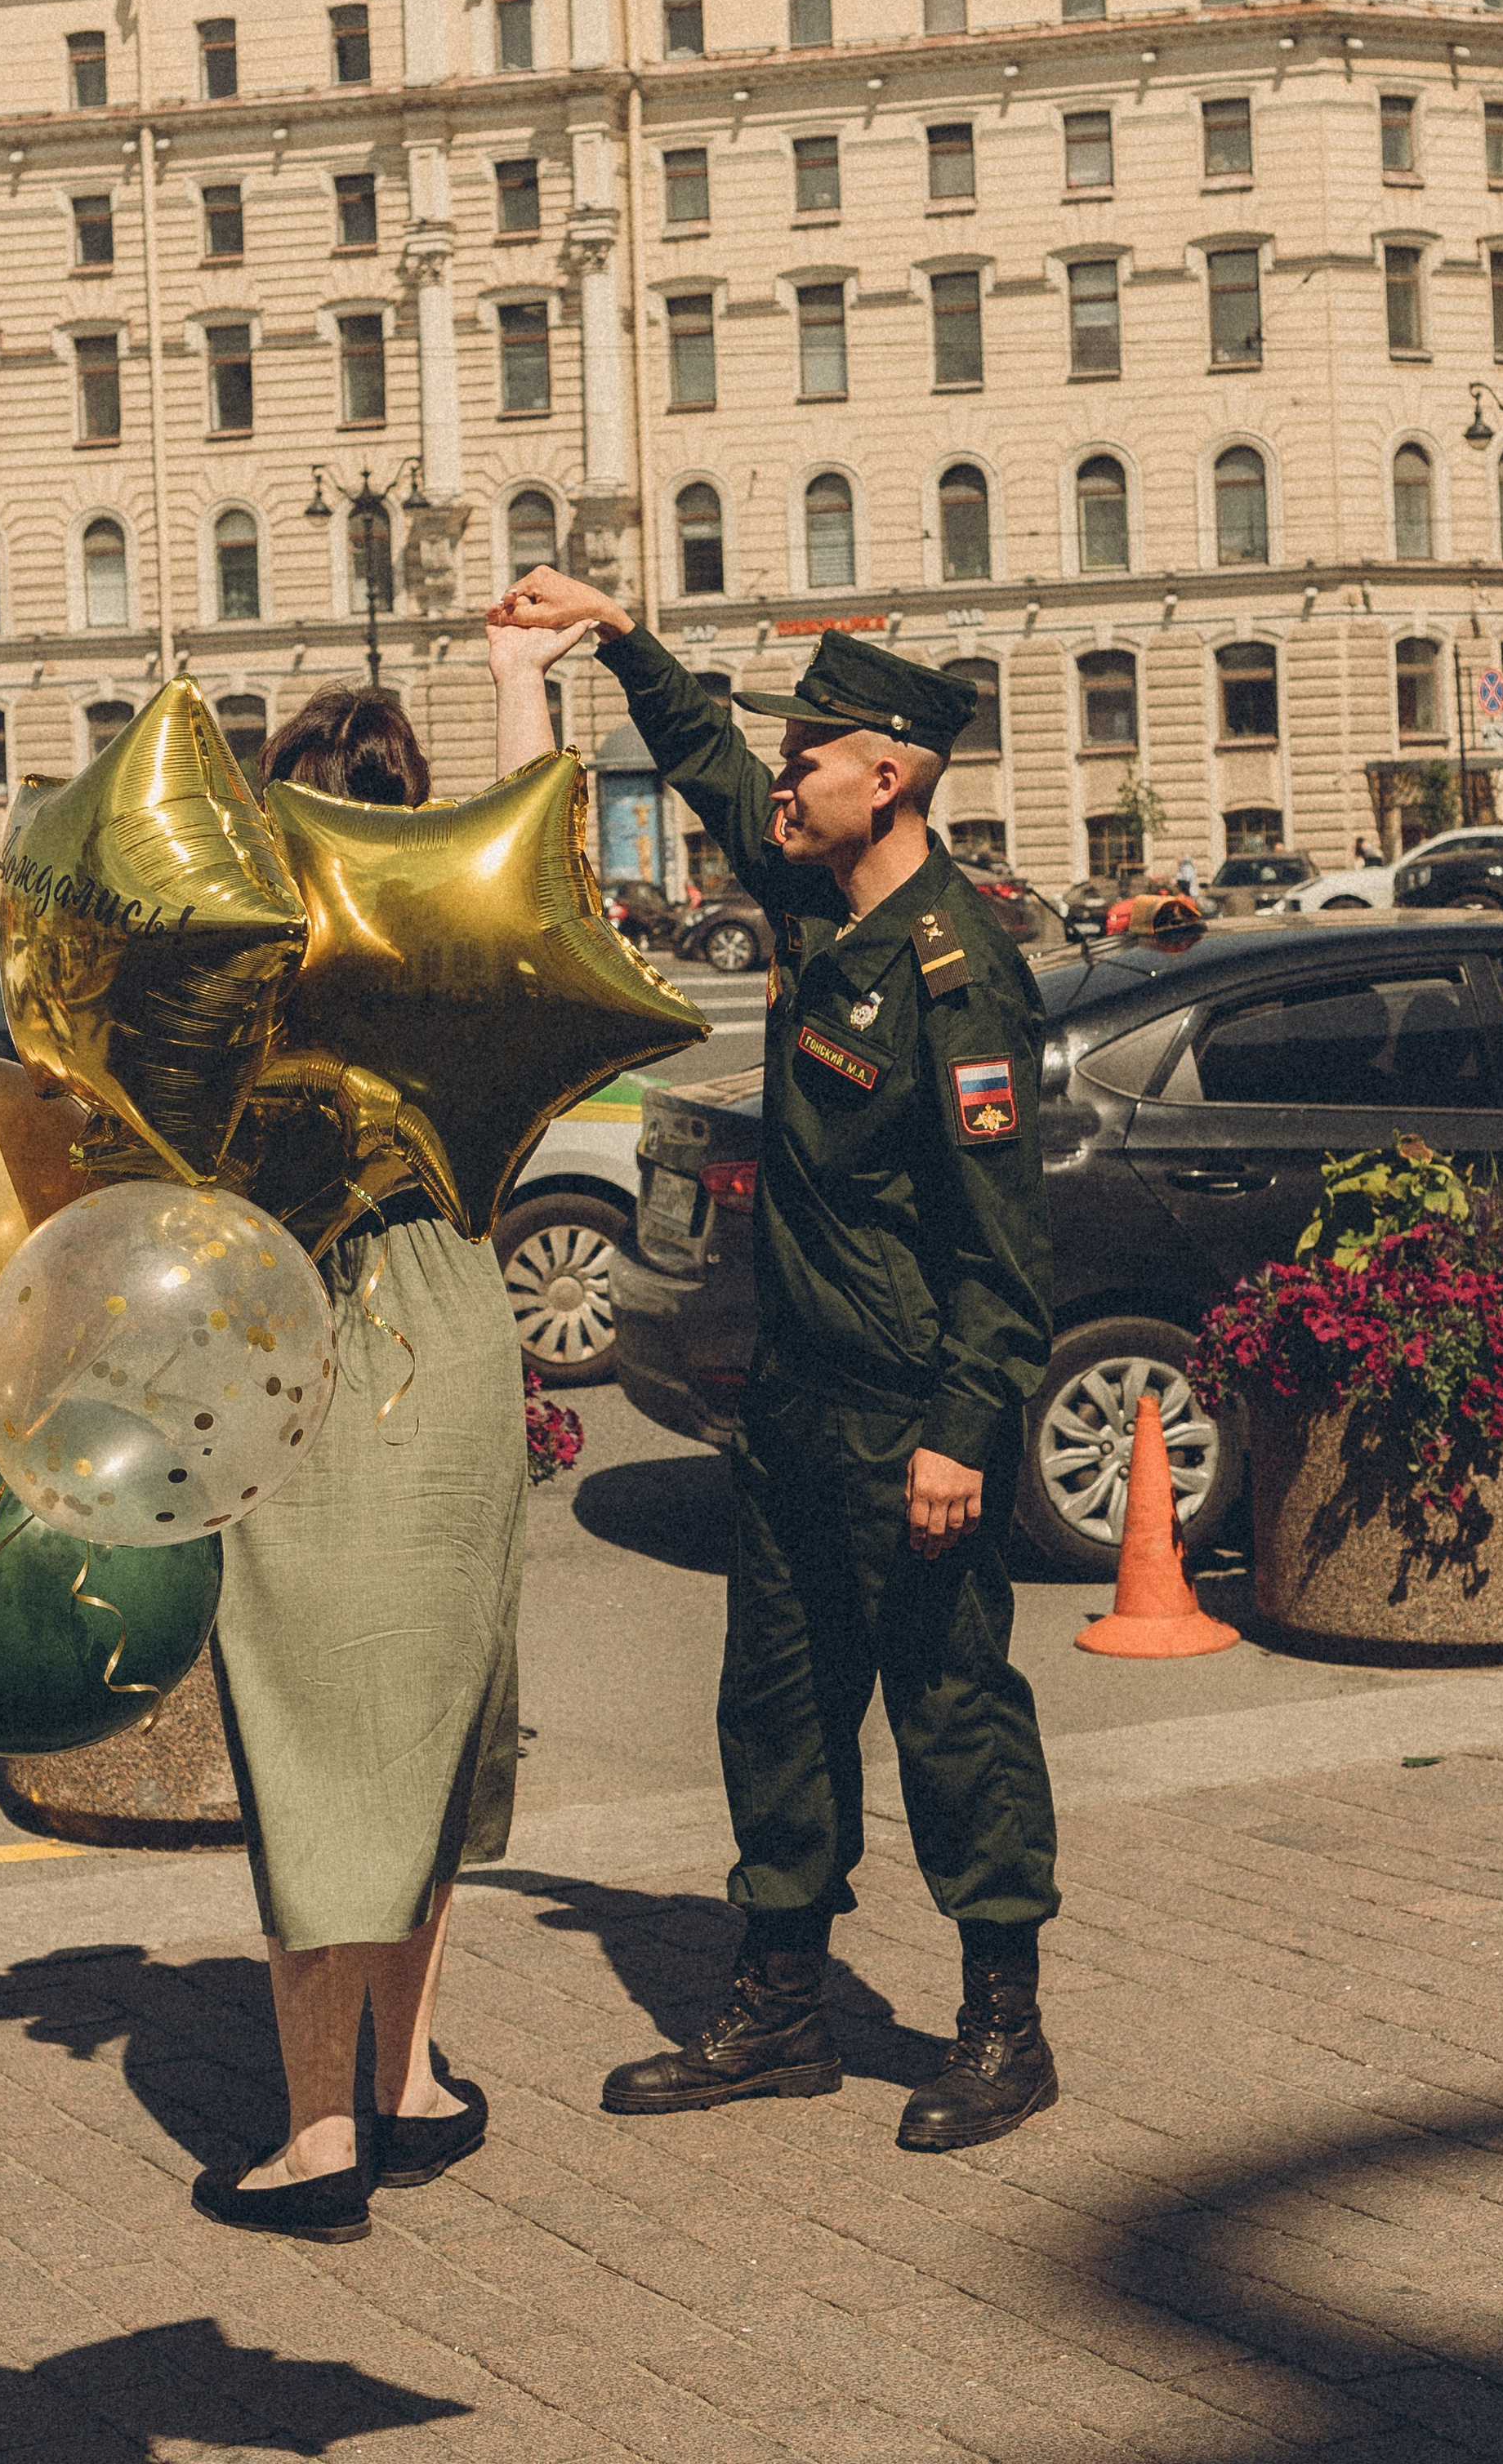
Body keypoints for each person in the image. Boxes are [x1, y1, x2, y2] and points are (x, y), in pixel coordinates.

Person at [488, 569, 1059, 2154]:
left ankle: (1000, 2026)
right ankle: (780, 2007)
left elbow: (998, 1247)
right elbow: (711, 770)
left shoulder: (959, 971)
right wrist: (616, 635)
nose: (781, 779)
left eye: (809, 755)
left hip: (903, 1426)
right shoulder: (823, 905)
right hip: (794, 1406)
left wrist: (962, 1429)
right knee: (776, 1717)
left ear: (884, 775)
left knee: (951, 1722)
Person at [197, 638, 567, 2243]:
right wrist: (519, 675)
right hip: (460, 1344)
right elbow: (534, 841)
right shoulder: (465, 971)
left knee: (313, 1739)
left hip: (322, 1348)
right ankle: (407, 2086)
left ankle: (316, 2135)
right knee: (426, 1736)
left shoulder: (258, 981)